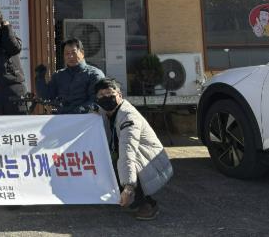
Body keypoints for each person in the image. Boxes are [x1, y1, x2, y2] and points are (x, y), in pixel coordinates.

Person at [95, 77, 173, 221]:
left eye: (110, 93)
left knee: (126, 160)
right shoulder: (103, 112)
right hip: (124, 154)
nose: (106, 98)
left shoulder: (128, 116)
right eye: (101, 95)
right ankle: (129, 194)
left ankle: (147, 203)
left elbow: (128, 151)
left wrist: (128, 188)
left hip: (150, 161)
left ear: (120, 95)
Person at [35, 38, 104, 114]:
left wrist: (76, 111)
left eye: (74, 53)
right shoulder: (59, 75)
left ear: (82, 53)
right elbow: (46, 96)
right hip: (62, 118)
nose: (70, 56)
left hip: (86, 118)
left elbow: (96, 100)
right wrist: (40, 78)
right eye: (67, 53)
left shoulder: (94, 74)